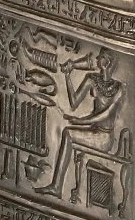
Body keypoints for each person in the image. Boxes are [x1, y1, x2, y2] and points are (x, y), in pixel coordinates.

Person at [35, 47, 124, 200]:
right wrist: (67, 76)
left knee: (68, 133)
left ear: (107, 62)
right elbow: (74, 103)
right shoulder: (92, 79)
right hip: (93, 130)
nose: (97, 59)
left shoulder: (119, 88)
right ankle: (56, 186)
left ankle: (57, 187)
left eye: (100, 57)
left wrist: (80, 121)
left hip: (104, 138)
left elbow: (106, 114)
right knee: (68, 132)